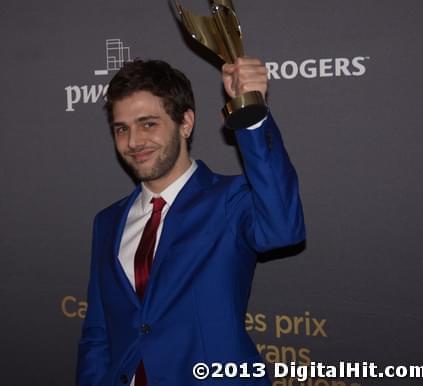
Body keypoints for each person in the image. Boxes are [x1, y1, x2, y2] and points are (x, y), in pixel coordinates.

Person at [76, 57, 305, 386]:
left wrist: (251, 112)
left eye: (148, 123)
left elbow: (283, 229)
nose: (134, 141)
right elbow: (98, 334)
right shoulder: (108, 222)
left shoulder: (229, 200)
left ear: (185, 123)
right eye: (121, 128)